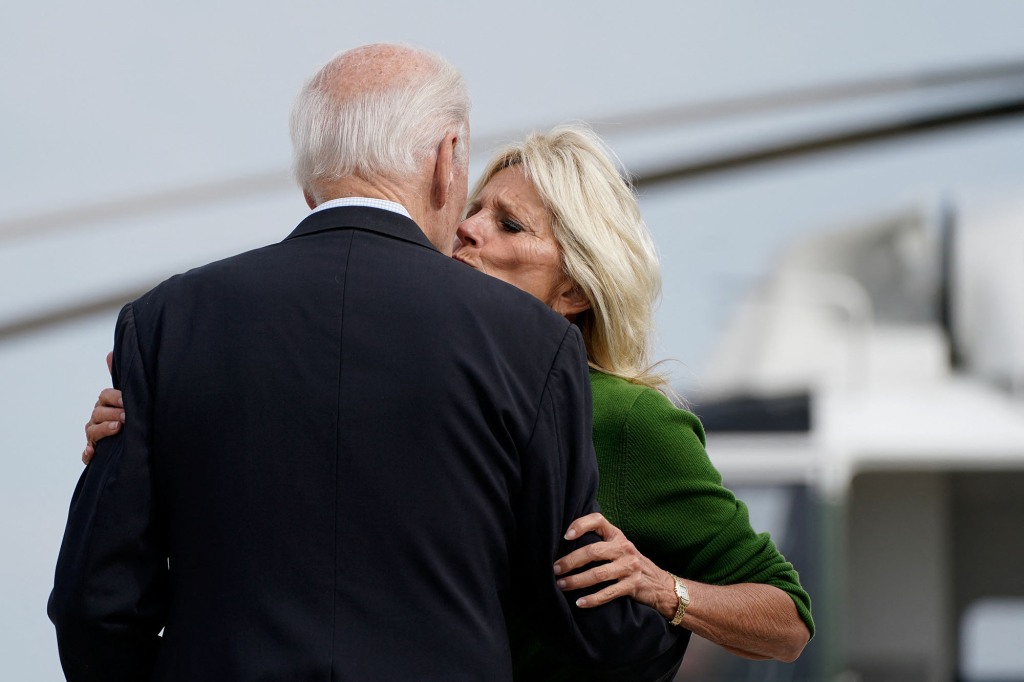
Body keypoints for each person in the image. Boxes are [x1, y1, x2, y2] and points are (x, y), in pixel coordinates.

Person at [83, 124, 814, 678]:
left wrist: (667, 589)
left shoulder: (627, 420)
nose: (467, 227)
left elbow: (787, 617)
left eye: (509, 225)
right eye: (476, 207)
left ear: (573, 292)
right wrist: (148, 433)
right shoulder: (417, 382)